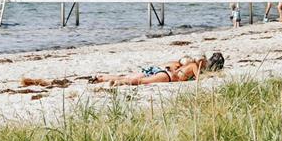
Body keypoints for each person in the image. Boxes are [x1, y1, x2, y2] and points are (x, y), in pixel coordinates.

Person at [92, 52, 226, 86]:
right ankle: (118, 83)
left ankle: (101, 78)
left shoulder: (185, 64)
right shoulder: (194, 67)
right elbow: (198, 80)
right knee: (140, 82)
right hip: (167, 76)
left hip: (162, 70)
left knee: (127, 76)